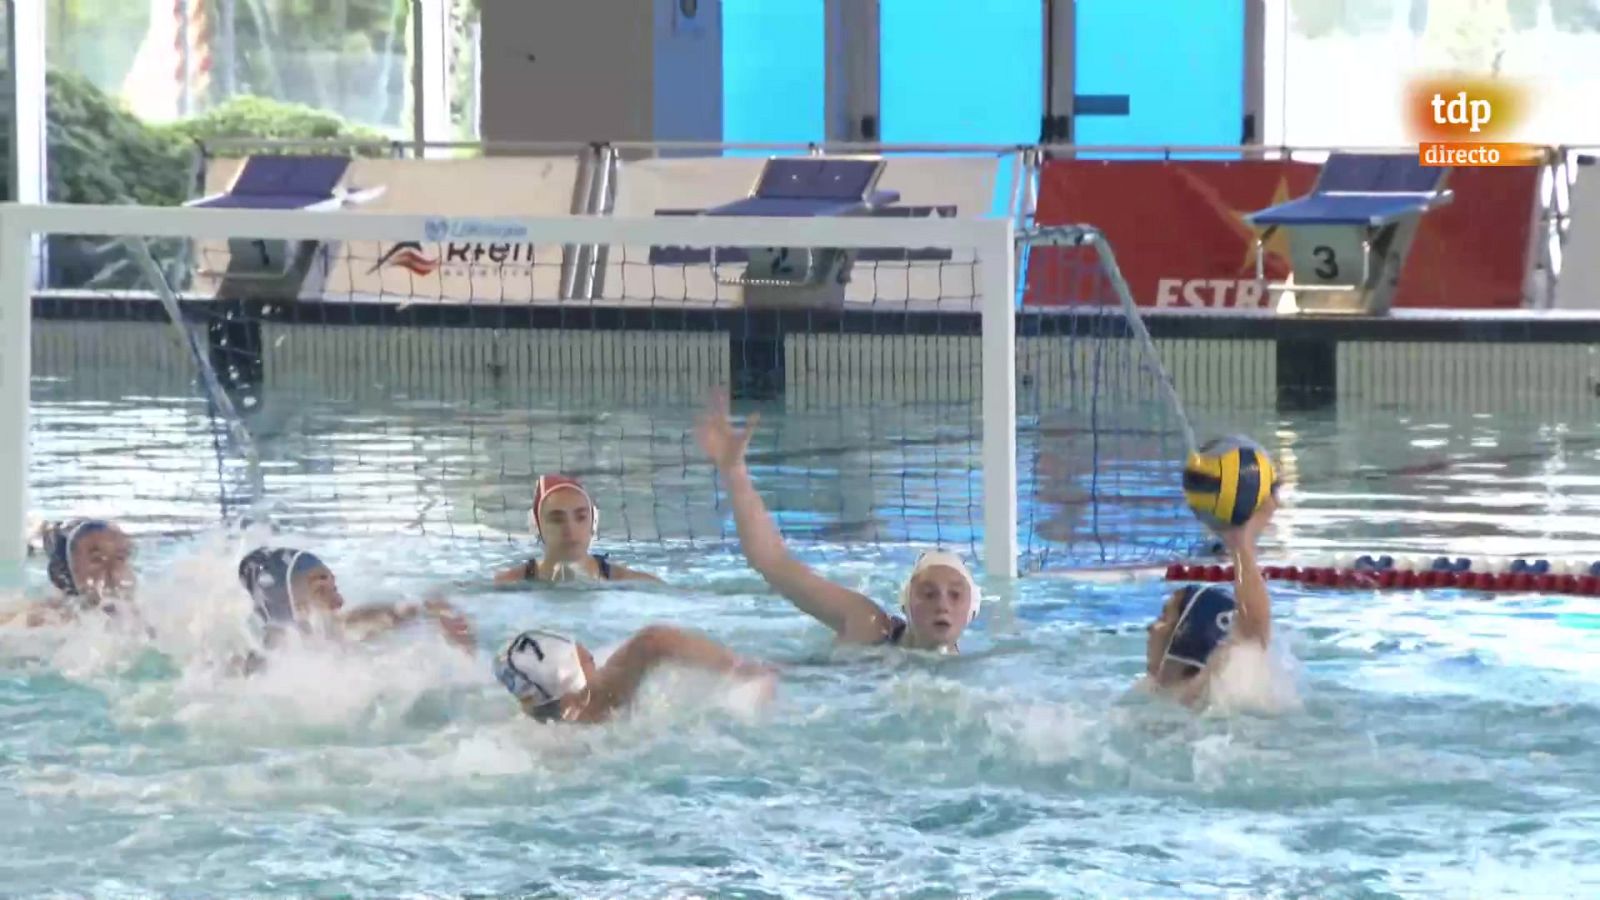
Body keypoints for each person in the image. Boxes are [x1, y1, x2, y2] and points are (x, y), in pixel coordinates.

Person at [694, 392, 981, 653]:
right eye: (928, 593)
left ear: (972, 611)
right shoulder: (868, 626)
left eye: (956, 595)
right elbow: (772, 562)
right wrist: (734, 471)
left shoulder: (980, 679)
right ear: (905, 602)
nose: (942, 604)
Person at [237, 547, 476, 669]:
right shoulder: (259, 663)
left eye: (335, 587)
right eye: (321, 589)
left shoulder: (332, 630)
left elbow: (380, 616)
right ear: (285, 599)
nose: (339, 603)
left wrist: (428, 611)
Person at [1143, 493, 1277, 706]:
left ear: (1184, 634)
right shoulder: (1152, 689)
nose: (1150, 627)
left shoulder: (1199, 693)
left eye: (1164, 617)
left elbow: (1253, 635)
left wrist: (1242, 544)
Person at [493, 624, 775, 724]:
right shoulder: (605, 695)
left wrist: (737, 669)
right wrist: (746, 672)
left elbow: (653, 641)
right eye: (583, 658)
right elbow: (653, 640)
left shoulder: (528, 740)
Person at [493, 474, 660, 585]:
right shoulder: (507, 584)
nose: (570, 529)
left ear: (593, 522)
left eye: (581, 517)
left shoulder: (634, 583)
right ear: (537, 526)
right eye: (557, 519)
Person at [0, 518, 138, 628]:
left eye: (120, 557)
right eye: (97, 560)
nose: (113, 570)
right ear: (64, 575)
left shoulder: (146, 615)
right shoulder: (43, 618)